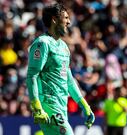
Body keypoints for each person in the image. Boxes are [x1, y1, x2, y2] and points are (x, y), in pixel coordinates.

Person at [26, 3, 95, 135]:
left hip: (62, 106)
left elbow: (68, 80)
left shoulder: (64, 47)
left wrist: (84, 105)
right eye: (66, 18)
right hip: (48, 106)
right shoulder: (42, 43)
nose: (69, 22)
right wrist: (37, 107)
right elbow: (32, 75)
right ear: (54, 19)